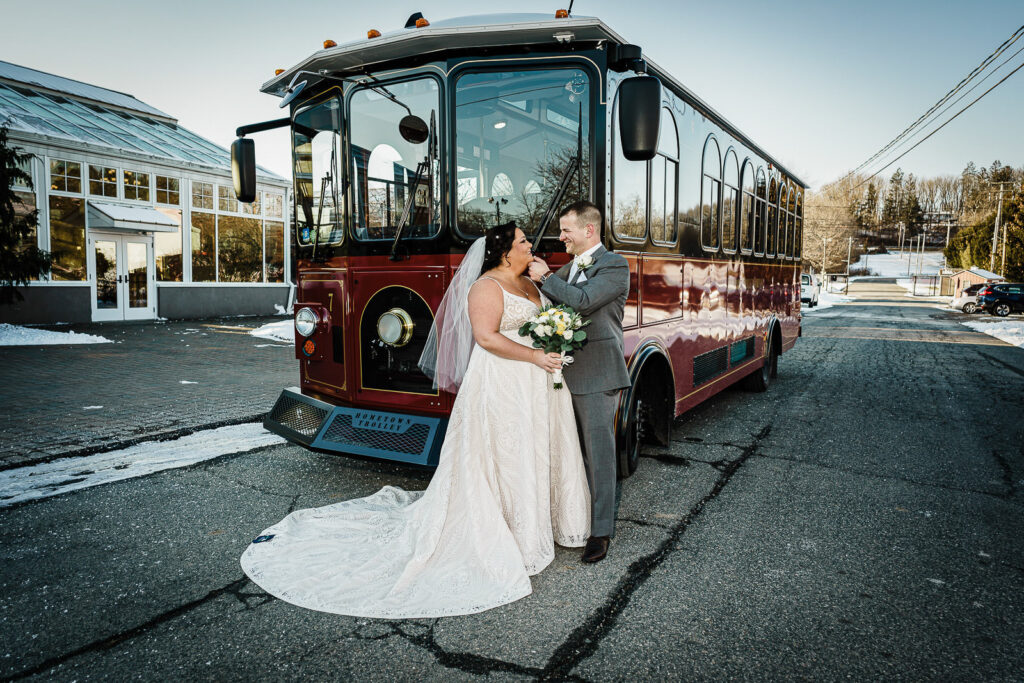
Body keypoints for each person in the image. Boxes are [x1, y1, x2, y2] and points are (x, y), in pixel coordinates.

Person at [240, 223, 590, 618]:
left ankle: (539, 522)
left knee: (534, 446)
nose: (531, 244)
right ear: (506, 252)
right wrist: (534, 356)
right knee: (504, 451)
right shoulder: (486, 287)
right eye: (523, 241)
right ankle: (513, 531)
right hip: (504, 380)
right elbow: (487, 337)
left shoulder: (532, 283)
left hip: (537, 382)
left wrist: (554, 340)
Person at [528, 201, 630, 564]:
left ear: (589, 230)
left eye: (566, 229)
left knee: (598, 455)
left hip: (598, 374)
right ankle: (568, 519)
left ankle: (600, 532)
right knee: (564, 450)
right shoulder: (568, 268)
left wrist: (545, 278)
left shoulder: (615, 265)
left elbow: (584, 302)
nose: (561, 236)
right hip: (559, 374)